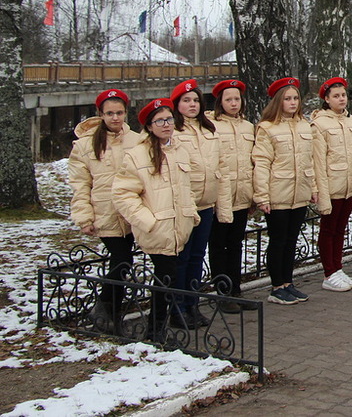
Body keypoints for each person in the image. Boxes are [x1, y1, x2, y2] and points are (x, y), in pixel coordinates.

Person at [113, 99, 199, 341]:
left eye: (169, 119)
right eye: (160, 121)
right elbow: (122, 193)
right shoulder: (138, 154)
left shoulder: (180, 149)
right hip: (157, 228)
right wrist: (147, 221)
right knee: (165, 280)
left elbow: (187, 187)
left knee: (168, 280)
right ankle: (156, 331)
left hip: (179, 226)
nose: (166, 125)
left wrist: (190, 213)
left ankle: (159, 328)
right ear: (149, 126)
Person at [69, 89, 141, 333]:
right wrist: (84, 216)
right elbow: (81, 184)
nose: (115, 118)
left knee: (122, 261)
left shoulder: (137, 140)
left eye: (120, 113)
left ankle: (111, 309)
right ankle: (106, 309)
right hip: (105, 212)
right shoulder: (85, 145)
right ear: (100, 114)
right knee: (122, 260)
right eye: (110, 113)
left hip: (132, 211)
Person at [170, 79, 232, 328]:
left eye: (195, 100)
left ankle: (192, 305)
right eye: (186, 100)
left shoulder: (210, 130)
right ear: (177, 105)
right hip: (183, 206)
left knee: (197, 257)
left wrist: (222, 205)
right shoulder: (172, 130)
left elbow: (222, 168)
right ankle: (177, 307)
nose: (192, 104)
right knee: (181, 258)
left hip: (205, 204)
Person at [252, 77, 315, 305]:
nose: (292, 103)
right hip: (278, 192)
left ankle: (288, 282)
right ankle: (277, 285)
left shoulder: (303, 125)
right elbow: (261, 163)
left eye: (296, 98)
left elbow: (310, 161)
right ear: (278, 101)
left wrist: (313, 188)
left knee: (291, 239)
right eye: (288, 99)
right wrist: (262, 196)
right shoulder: (267, 128)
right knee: (278, 241)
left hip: (299, 192)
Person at [311, 77, 352, 291]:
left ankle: (338, 267)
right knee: (328, 229)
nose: (341, 99)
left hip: (351, 183)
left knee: (341, 229)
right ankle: (329, 272)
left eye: (343, 95)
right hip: (333, 184)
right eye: (336, 96)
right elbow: (318, 160)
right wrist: (319, 190)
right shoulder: (319, 124)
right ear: (326, 99)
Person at [208, 79, 256, 312]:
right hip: (221, 196)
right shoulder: (212, 126)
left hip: (242, 194)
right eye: (228, 99)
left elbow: (252, 162)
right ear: (220, 102)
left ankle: (236, 289)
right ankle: (222, 291)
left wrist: (253, 195)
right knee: (218, 244)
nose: (234, 103)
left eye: (237, 99)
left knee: (236, 244)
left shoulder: (247, 127)